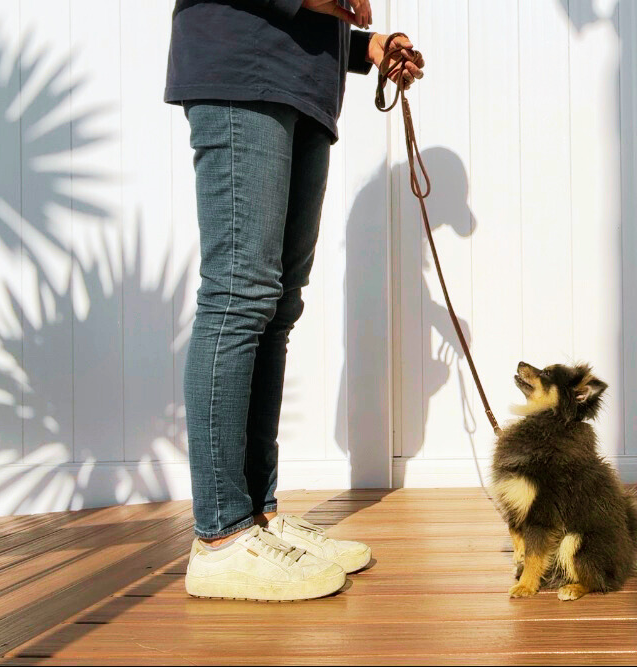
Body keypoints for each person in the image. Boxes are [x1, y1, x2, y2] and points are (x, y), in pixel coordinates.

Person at [164, 0, 423, 601]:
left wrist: (366, 49)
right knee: (238, 296)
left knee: (275, 307)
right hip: (241, 73)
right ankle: (221, 539)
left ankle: (257, 517)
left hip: (302, 85)